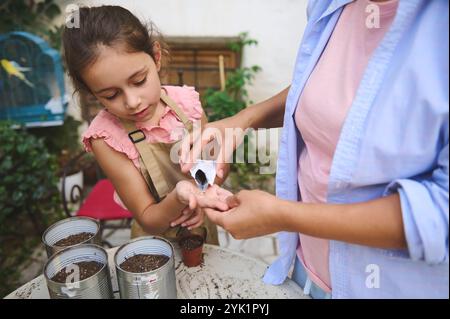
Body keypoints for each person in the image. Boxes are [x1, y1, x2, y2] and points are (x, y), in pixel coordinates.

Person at [180, 0, 449, 298]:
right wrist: (243, 120)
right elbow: (317, 88)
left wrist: (283, 216)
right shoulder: (329, 6)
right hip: (304, 271)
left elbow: (439, 213)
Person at [62, 5, 231, 244]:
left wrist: (204, 193)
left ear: (156, 57)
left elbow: (217, 164)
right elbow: (149, 218)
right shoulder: (106, 138)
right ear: (92, 92)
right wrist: (181, 197)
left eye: (139, 81)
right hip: (154, 248)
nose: (132, 102)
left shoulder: (186, 104)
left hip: (203, 229)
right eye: (110, 95)